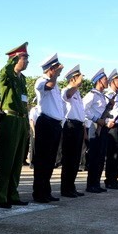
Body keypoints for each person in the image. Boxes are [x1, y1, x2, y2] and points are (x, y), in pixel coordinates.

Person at [0, 42, 30, 208]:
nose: (28, 61)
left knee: (17, 161)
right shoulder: (6, 74)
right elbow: (5, 72)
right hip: (9, 119)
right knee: (7, 160)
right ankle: (1, 197)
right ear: (16, 59)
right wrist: (11, 60)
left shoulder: (22, 79)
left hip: (22, 120)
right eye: (25, 57)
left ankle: (12, 194)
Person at [32, 54, 65, 203]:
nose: (59, 71)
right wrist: (55, 76)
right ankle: (39, 192)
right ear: (51, 69)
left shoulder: (55, 84)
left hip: (55, 125)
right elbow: (48, 87)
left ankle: (46, 190)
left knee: (50, 160)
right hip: (45, 123)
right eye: (57, 69)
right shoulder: (41, 81)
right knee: (42, 160)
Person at [60, 64, 86, 198]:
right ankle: (65, 188)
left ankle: (72, 186)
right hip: (70, 126)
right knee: (69, 159)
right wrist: (76, 85)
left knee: (75, 159)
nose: (82, 79)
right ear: (72, 78)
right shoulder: (67, 90)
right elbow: (67, 95)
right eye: (79, 77)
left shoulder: (78, 93)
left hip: (79, 127)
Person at [83, 68, 110, 193]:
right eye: (105, 79)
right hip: (94, 127)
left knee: (100, 157)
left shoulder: (103, 96)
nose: (107, 81)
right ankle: (91, 184)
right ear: (99, 81)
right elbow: (84, 109)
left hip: (103, 127)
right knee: (94, 157)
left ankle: (97, 183)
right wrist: (96, 119)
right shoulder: (92, 95)